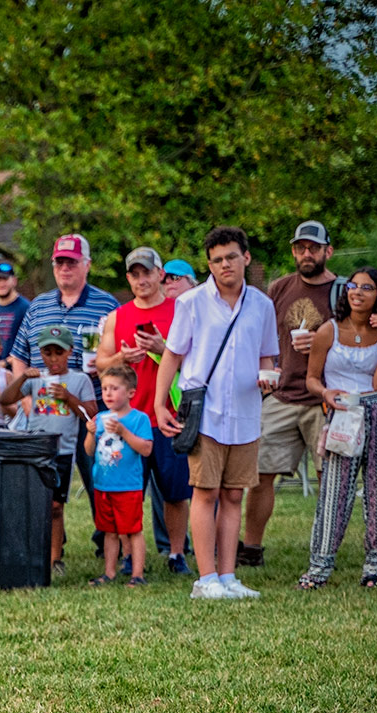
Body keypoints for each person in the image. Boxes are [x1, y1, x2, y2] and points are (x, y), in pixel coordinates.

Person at [153, 226, 280, 601]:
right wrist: (161, 403)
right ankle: (205, 578)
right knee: (204, 492)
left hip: (245, 411)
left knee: (234, 495)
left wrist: (268, 377)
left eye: (231, 257)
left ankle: (228, 576)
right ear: (208, 264)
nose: (225, 265)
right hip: (204, 412)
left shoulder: (262, 304)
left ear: (246, 258)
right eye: (217, 260)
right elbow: (173, 354)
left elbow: (267, 355)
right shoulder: (191, 302)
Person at [298, 267, 377, 589]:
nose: (357, 292)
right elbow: (312, 378)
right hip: (343, 410)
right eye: (353, 286)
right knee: (334, 492)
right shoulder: (328, 330)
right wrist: (325, 392)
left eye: (366, 288)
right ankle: (319, 568)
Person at [242, 220, 337, 569]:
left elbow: (357, 337)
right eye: (300, 248)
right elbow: (261, 333)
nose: (306, 254)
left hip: (324, 399)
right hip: (282, 395)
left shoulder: (341, 291)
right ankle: (251, 548)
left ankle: (327, 550)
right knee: (261, 474)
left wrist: (325, 343)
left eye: (313, 247)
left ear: (328, 250)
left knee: (331, 477)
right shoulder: (280, 287)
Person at [7, 234, 120, 518]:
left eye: (72, 262)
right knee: (42, 481)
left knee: (98, 474)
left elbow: (120, 357)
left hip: (90, 404)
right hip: (44, 407)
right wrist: (24, 401)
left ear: (87, 265)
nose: (65, 268)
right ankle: (48, 544)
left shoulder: (107, 305)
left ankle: (106, 539)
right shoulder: (38, 306)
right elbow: (18, 355)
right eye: (60, 262)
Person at [95, 246, 189, 574]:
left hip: (168, 415)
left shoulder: (181, 310)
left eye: (147, 272)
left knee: (176, 492)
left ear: (160, 274)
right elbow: (100, 362)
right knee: (126, 492)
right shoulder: (117, 316)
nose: (141, 279)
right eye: (134, 274)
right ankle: (128, 557)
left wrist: (165, 349)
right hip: (129, 419)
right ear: (128, 279)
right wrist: (122, 358)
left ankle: (177, 554)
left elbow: (198, 360)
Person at [0, 325, 95, 573]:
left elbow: (91, 414)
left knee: (55, 505)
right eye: (47, 352)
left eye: (58, 352)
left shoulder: (79, 379)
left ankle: (54, 557)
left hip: (61, 451)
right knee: (31, 503)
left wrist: (69, 398)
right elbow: (5, 399)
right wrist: (21, 378)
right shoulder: (36, 379)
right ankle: (30, 550)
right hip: (35, 449)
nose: (53, 358)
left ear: (70, 352)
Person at [83, 366, 154, 585]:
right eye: (105, 389)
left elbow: (146, 449)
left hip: (128, 486)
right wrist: (90, 433)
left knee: (133, 531)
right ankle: (109, 572)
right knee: (108, 531)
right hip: (104, 485)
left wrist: (123, 432)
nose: (108, 394)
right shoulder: (101, 417)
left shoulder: (138, 419)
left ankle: (137, 574)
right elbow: (89, 451)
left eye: (114, 388)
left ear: (130, 392)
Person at [0, 261, 30, 359]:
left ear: (14, 281)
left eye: (5, 279)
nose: (1, 284)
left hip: (15, 371)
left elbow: (29, 345)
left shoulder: (26, 308)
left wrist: (6, 363)